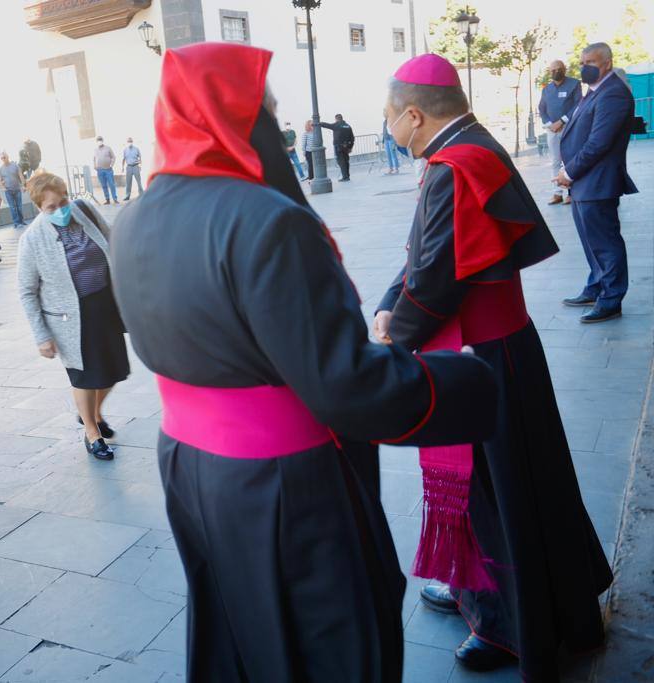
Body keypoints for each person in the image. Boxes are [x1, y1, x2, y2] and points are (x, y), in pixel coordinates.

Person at [111, 43, 498, 682]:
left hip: (188, 463)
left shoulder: (133, 217)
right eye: (269, 111)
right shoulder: (267, 221)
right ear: (240, 116)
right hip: (284, 479)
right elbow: (344, 383)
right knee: (328, 640)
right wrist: (464, 384)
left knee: (240, 626)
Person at [376, 54, 612, 679]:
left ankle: (510, 626)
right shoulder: (469, 146)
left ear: (413, 114)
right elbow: (425, 253)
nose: (387, 130)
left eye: (387, 118)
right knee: (519, 485)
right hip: (503, 348)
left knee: (493, 495)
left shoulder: (456, 164)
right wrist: (385, 302)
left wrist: (391, 338)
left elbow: (433, 282)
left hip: (481, 357)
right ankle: (481, 591)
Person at [19, 172, 128, 461]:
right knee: (84, 377)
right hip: (70, 319)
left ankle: (91, 414)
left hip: (105, 306)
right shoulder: (32, 239)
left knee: (115, 370)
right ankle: (92, 433)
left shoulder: (84, 210)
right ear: (39, 208)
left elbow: (110, 240)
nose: (60, 209)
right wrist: (42, 336)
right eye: (51, 207)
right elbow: (27, 291)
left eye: (63, 201)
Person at [556, 42, 638, 324]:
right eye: (581, 61)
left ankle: (611, 298)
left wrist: (569, 172)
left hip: (598, 181)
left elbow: (599, 143)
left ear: (607, 62)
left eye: (590, 61)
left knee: (605, 243)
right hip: (585, 182)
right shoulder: (594, 90)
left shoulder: (613, 93)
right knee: (592, 242)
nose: (584, 67)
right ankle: (596, 287)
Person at [539, 60, 582, 205]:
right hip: (552, 130)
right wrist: (550, 124)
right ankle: (557, 194)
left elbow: (578, 104)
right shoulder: (547, 89)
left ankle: (572, 193)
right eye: (552, 70)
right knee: (555, 161)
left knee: (570, 159)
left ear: (564, 69)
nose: (555, 72)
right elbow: (542, 109)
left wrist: (562, 121)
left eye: (558, 69)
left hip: (569, 128)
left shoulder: (574, 84)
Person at [317, 113, 355, 181]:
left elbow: (328, 125)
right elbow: (352, 138)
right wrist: (350, 147)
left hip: (338, 146)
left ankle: (345, 177)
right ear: (342, 118)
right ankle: (347, 175)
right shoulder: (348, 126)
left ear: (336, 119)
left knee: (341, 161)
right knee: (346, 161)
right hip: (346, 147)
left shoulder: (337, 125)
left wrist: (320, 123)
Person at [0, 152, 27, 227]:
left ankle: (22, 221)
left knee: (19, 206)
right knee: (13, 207)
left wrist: (23, 186)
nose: (3, 159)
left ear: (8, 157)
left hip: (17, 189)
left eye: (4, 157)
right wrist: (3, 188)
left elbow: (21, 176)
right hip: (8, 191)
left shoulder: (15, 166)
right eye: (2, 158)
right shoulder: (1, 169)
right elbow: (0, 180)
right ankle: (16, 223)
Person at [93, 136, 118, 205]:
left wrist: (111, 165)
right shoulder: (95, 150)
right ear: (96, 142)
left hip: (108, 170)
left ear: (102, 141)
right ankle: (107, 200)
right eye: (98, 140)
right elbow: (94, 159)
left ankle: (115, 199)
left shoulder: (108, 148)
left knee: (112, 184)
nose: (99, 141)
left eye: (100, 140)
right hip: (100, 170)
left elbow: (113, 157)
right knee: (104, 185)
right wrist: (94, 166)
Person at [381, 109, 400, 174]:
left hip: (391, 139)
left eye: (384, 112)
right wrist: (383, 142)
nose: (383, 114)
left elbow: (394, 131)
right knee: (388, 155)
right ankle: (390, 168)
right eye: (383, 113)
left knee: (393, 154)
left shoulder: (391, 120)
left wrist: (394, 141)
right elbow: (384, 132)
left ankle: (396, 168)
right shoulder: (384, 122)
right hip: (386, 139)